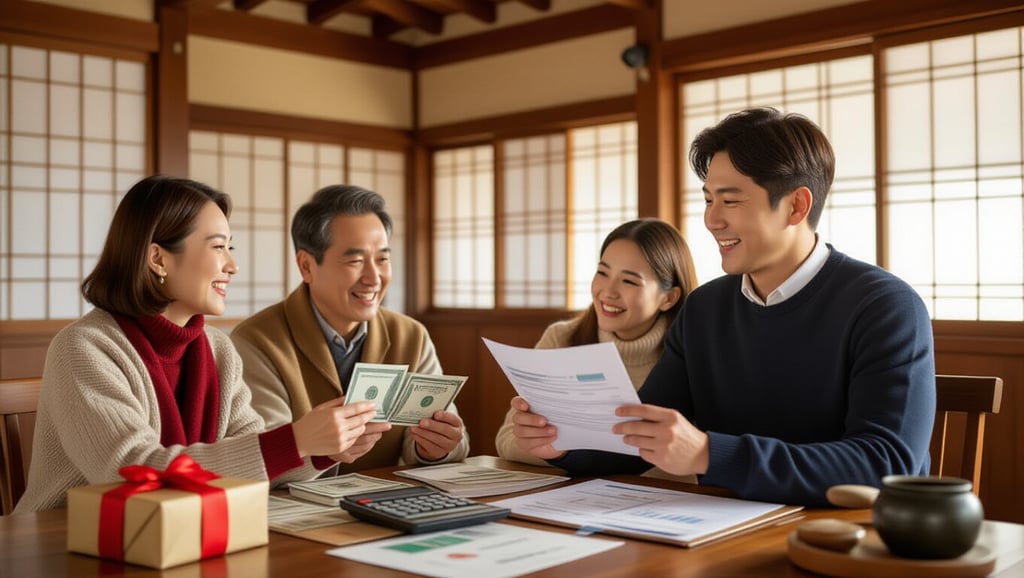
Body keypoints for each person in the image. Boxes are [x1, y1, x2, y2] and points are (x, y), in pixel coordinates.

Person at [506, 107, 936, 506]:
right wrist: (563, 445)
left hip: (840, 540)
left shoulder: (884, 306)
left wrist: (711, 454)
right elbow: (641, 438)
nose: (712, 219)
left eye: (730, 201)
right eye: (709, 199)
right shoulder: (705, 308)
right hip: (716, 532)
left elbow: (886, 464)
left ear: (796, 206)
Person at [15, 176, 381, 512]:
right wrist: (295, 440)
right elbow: (131, 474)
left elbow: (253, 461)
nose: (233, 265)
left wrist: (319, 449)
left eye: (230, 247)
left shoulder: (218, 349)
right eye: (219, 247)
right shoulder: (84, 348)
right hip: (67, 541)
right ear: (158, 258)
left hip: (180, 537)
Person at [231, 184, 469, 474]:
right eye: (355, 261)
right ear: (307, 266)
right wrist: (324, 452)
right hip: (295, 512)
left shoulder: (411, 335)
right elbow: (263, 458)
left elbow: (445, 440)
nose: (373, 278)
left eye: (382, 259)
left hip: (385, 507)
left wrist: (436, 447)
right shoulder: (257, 341)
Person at [495, 218, 698, 483]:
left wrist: (570, 445)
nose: (608, 292)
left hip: (669, 504)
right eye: (602, 273)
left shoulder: (689, 353)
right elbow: (508, 440)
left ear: (668, 297)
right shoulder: (562, 338)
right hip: (579, 497)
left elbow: (685, 461)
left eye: (629, 281)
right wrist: (557, 449)